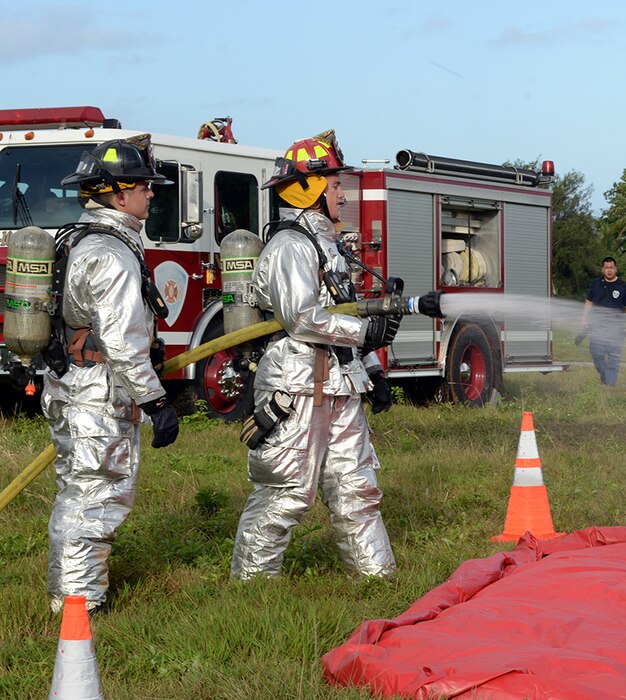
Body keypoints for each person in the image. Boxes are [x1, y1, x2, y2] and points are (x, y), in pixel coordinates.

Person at [230, 130, 441, 581]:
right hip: (297, 388)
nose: (344, 195)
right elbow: (303, 318)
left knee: (356, 487)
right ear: (309, 189)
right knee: (286, 493)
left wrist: (372, 369)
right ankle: (250, 590)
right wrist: (366, 331)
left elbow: (340, 309)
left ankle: (376, 581)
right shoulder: (290, 247)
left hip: (339, 385)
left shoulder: (327, 245)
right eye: (336, 185)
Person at [45, 135, 180, 612]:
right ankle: (79, 606)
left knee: (83, 489)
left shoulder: (85, 238)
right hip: (96, 394)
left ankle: (76, 595)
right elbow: (122, 342)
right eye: (144, 187)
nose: (151, 194)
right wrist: (157, 402)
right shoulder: (112, 253)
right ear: (119, 196)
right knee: (94, 498)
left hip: (75, 386)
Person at [576, 256, 626, 385]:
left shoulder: (623, 286)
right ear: (602, 269)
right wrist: (584, 318)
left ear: (616, 269)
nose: (609, 270)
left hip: (616, 327)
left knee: (614, 357)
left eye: (611, 267)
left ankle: (610, 386)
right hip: (598, 326)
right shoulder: (596, 284)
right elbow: (589, 301)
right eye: (606, 267)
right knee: (597, 355)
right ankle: (606, 377)